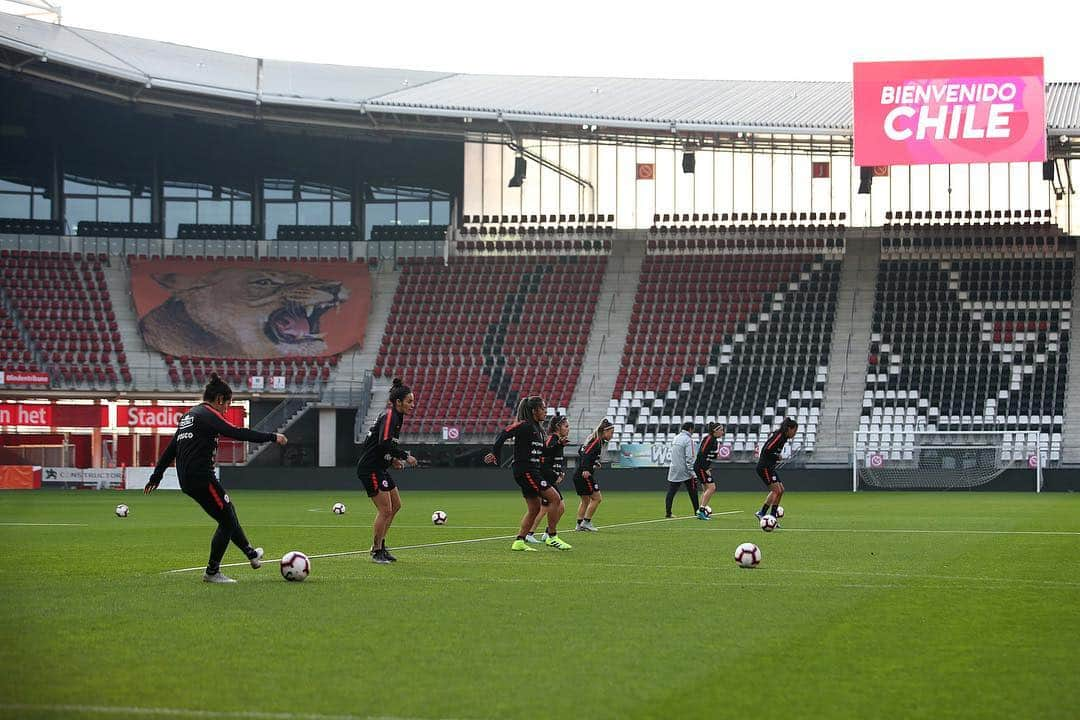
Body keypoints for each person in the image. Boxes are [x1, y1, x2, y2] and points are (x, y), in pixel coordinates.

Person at [144, 373, 287, 583]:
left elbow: (171, 448)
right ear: (219, 399)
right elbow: (236, 432)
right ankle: (212, 572)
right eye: (228, 404)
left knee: (227, 514)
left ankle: (251, 553)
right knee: (227, 519)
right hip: (201, 477)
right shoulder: (207, 414)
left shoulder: (189, 416)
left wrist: (156, 475)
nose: (227, 409)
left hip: (188, 478)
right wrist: (272, 437)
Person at [485, 396, 572, 551]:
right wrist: (495, 453)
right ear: (534, 411)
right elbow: (504, 433)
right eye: (543, 408)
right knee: (555, 499)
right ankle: (552, 537)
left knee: (535, 508)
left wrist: (558, 444)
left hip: (531, 470)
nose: (546, 411)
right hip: (526, 470)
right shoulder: (525, 426)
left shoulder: (538, 430)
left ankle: (519, 541)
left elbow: (543, 451)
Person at [356, 377, 418, 564]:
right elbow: (383, 444)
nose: (412, 405)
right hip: (370, 469)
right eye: (409, 401)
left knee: (396, 505)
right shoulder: (390, 416)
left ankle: (381, 545)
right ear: (398, 402)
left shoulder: (396, 419)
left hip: (380, 468)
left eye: (413, 401)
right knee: (385, 510)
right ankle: (376, 551)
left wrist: (391, 461)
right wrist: (404, 456)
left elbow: (379, 445)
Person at [525, 413, 569, 544]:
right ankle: (533, 533)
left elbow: (555, 460)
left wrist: (559, 472)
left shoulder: (559, 441)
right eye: (566, 426)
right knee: (555, 506)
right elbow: (543, 462)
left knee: (553, 507)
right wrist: (554, 476)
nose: (568, 429)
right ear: (558, 427)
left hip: (551, 478)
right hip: (546, 479)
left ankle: (544, 533)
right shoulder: (551, 440)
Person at [573, 418, 614, 531]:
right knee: (597, 498)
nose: (612, 435)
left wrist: (594, 462)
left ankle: (579, 525)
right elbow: (586, 454)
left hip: (579, 473)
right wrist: (586, 468)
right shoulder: (596, 441)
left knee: (585, 500)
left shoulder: (594, 441)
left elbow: (581, 451)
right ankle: (586, 522)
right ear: (604, 432)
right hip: (584, 474)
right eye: (611, 433)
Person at [755, 417, 798, 522]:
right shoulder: (779, 436)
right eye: (794, 431)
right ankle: (771, 516)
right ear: (789, 429)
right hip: (764, 467)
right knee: (777, 490)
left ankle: (763, 513)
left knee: (780, 490)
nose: (795, 433)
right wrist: (777, 457)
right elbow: (766, 450)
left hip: (769, 467)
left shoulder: (783, 437)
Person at [665, 421, 701, 518]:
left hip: (674, 469)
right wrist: (692, 472)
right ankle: (697, 512)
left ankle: (668, 513)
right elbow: (690, 457)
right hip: (685, 471)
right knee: (693, 492)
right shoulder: (689, 440)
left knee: (671, 492)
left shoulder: (676, 438)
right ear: (690, 429)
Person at [693, 422, 726, 519]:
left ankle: (701, 510)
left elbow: (709, 455)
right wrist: (705, 468)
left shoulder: (714, 440)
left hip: (702, 467)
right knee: (712, 488)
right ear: (715, 431)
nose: (722, 432)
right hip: (700, 467)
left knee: (706, 490)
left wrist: (708, 466)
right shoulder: (709, 439)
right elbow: (701, 454)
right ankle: (701, 510)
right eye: (721, 430)